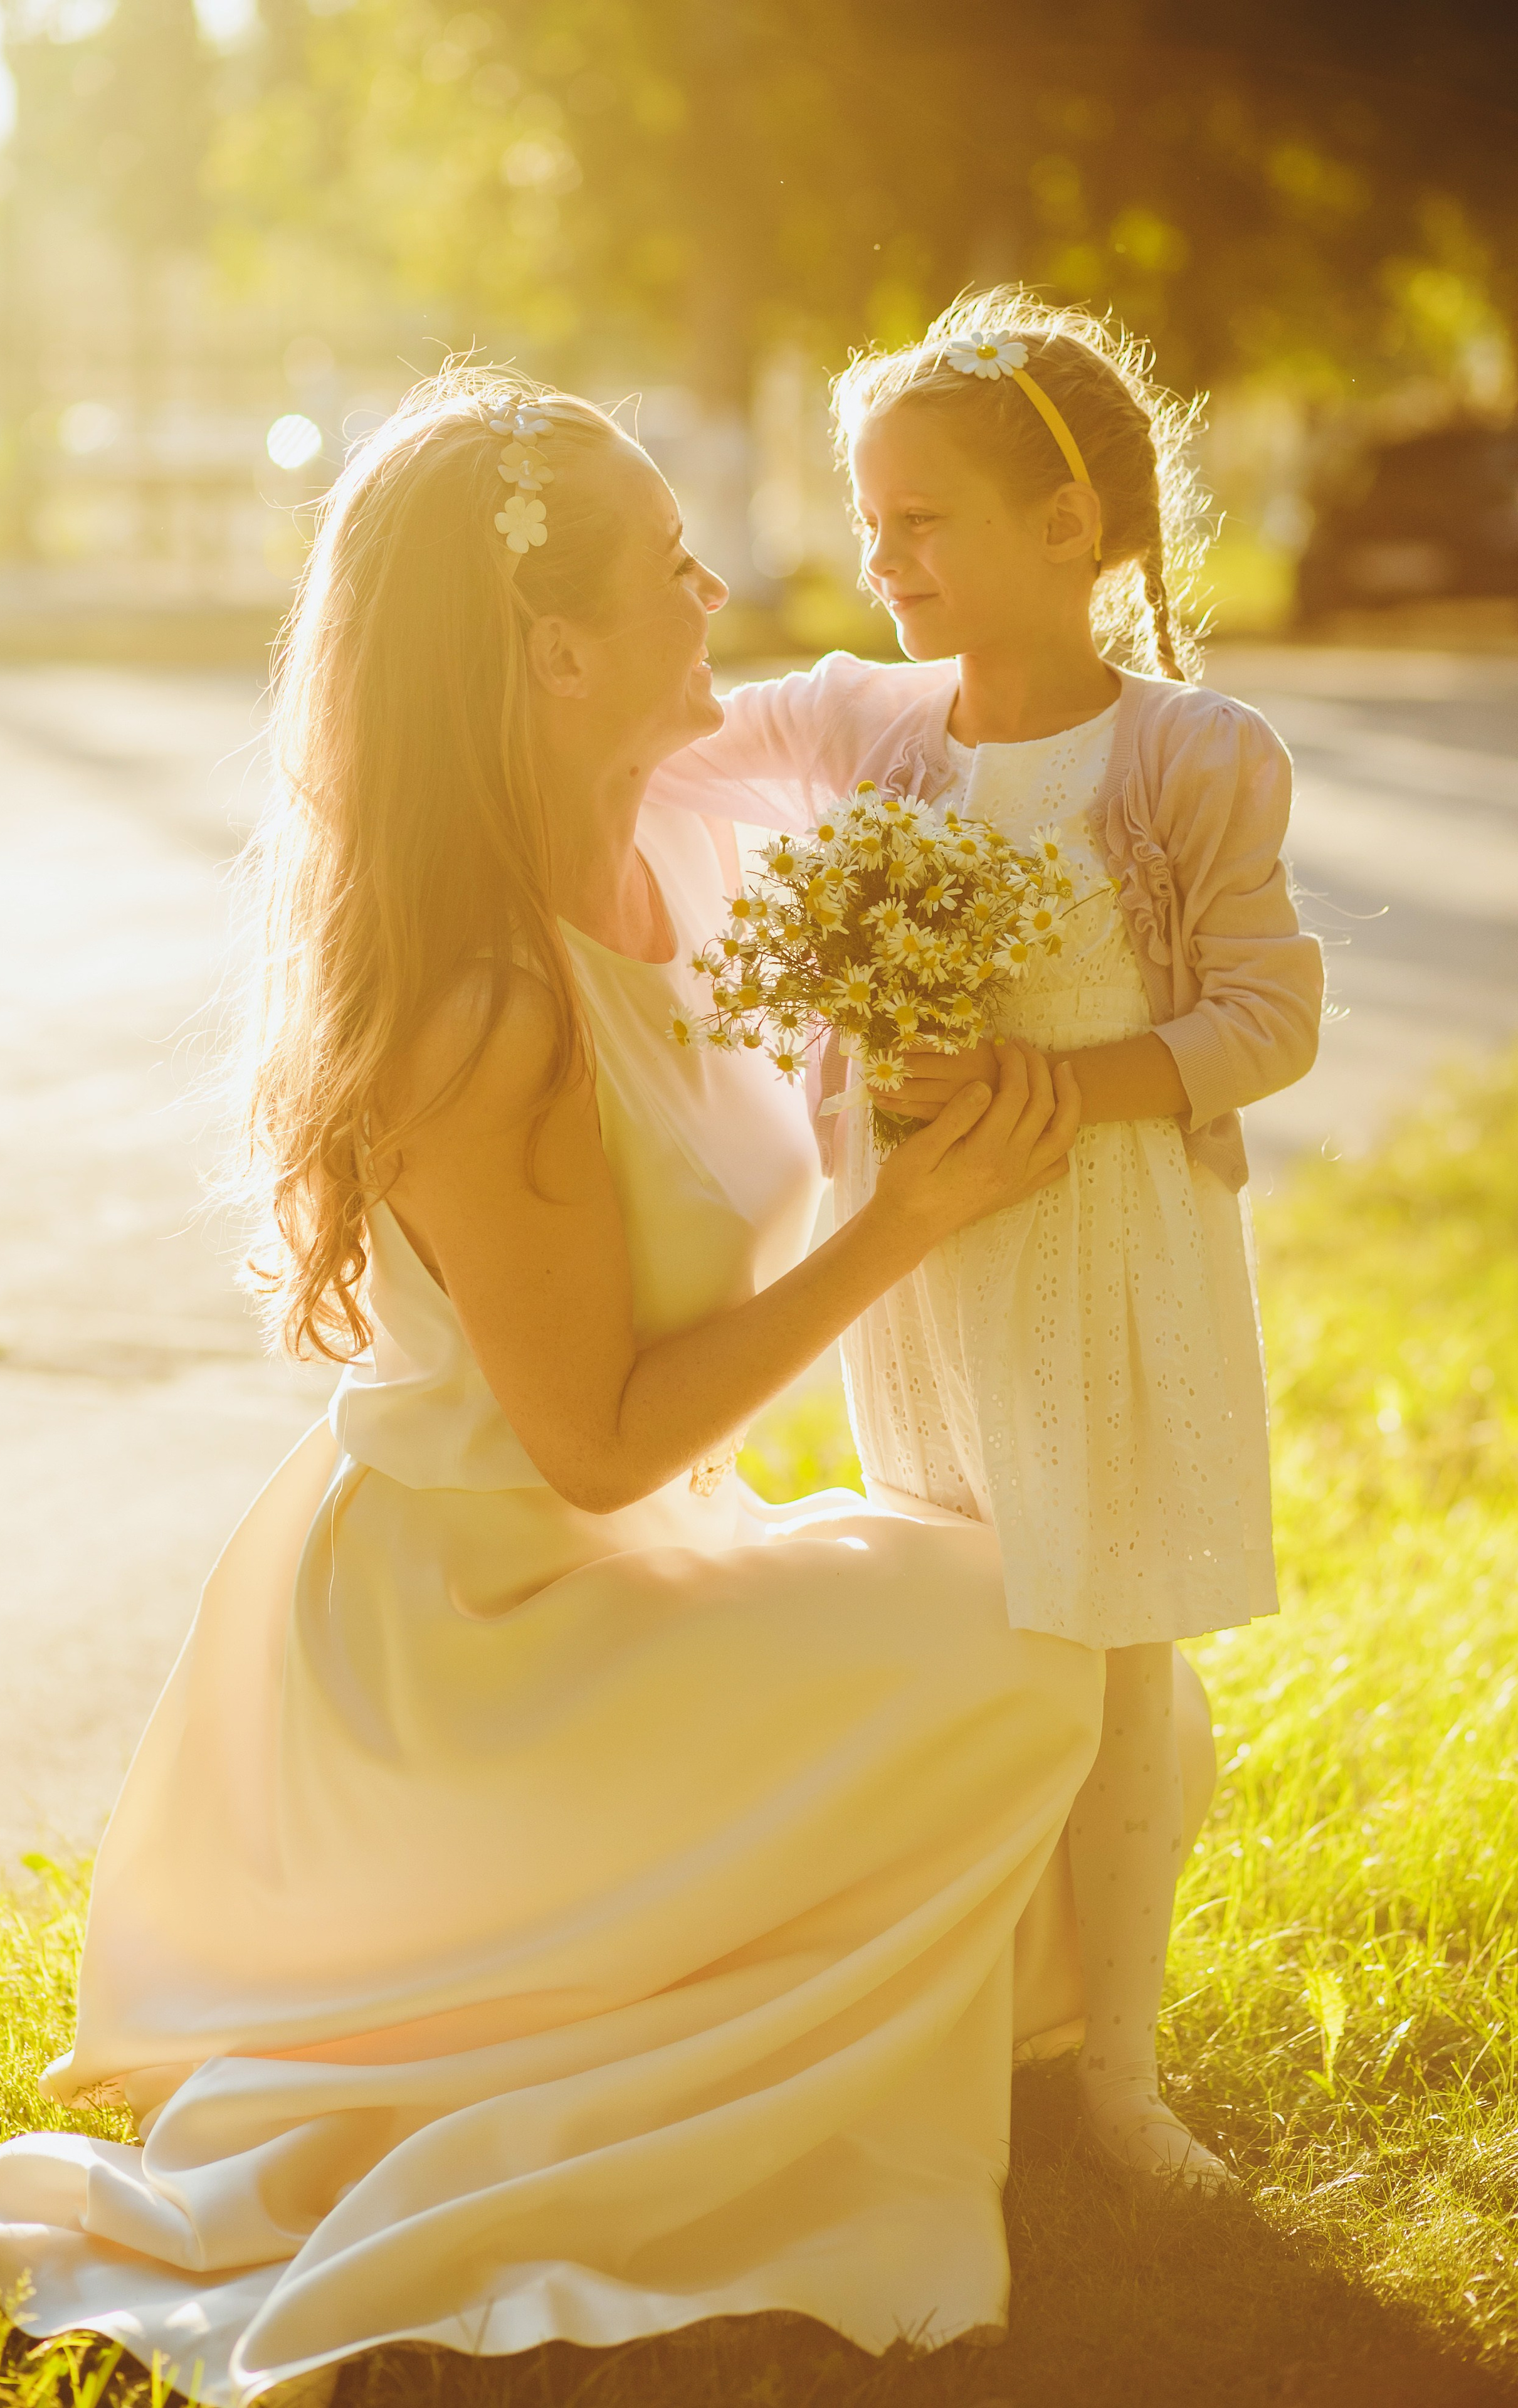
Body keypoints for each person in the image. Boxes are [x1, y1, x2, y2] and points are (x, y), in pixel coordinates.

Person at [0, 367, 1214, 2407]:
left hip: (616, 1572)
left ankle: (885, 2024)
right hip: (477, 1646)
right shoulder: (478, 1005)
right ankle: (649, 2061)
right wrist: (907, 1223)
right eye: (674, 567)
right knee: (1024, 1647)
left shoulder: (672, 875)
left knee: (1079, 1636)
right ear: (555, 648)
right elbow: (594, 1437)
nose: (724, 592)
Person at [649, 290, 1324, 2187]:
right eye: (870, 521)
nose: (883, 558)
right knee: (964, 1637)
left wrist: (1069, 1094)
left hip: (1106, 1264)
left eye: (922, 519)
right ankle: (969, 2008)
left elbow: (1270, 1020)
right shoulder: (862, 718)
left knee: (1112, 1664)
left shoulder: (1194, 754)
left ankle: (1115, 2072)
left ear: (1073, 531)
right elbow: (660, 765)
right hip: (928, 1276)